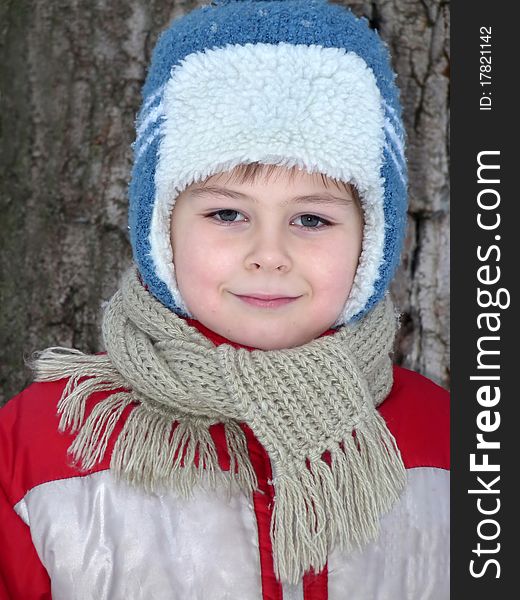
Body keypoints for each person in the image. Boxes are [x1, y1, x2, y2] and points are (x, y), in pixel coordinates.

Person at [0, 1, 449, 598]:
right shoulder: (41, 439)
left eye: (312, 219)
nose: (269, 253)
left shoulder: (447, 438)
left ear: (373, 241)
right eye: (227, 213)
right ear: (162, 229)